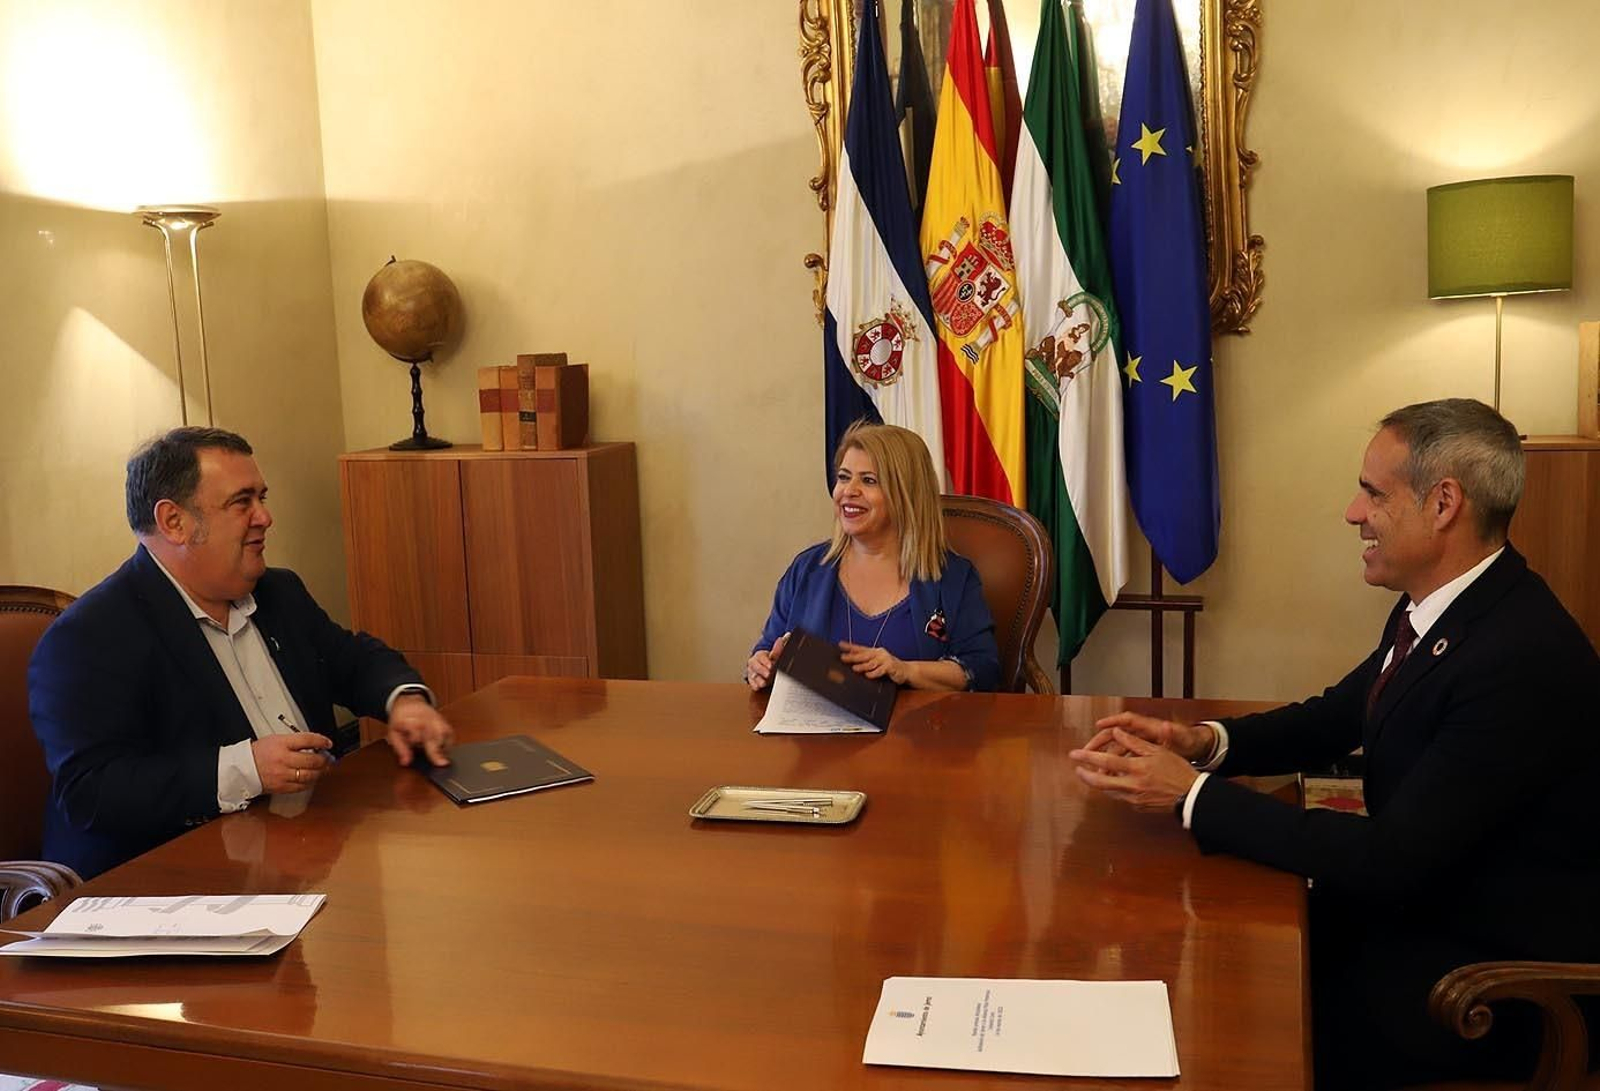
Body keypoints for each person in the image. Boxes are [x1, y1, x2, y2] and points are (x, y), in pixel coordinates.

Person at [1069, 399, 1600, 1089]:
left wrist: (1189, 794)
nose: (1353, 511)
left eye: (1373, 493)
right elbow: (1334, 716)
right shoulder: (1447, 602)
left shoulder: (1519, 657)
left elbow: (1390, 860)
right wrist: (1203, 741)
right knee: (1205, 935)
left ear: (1444, 504)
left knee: (1232, 1017)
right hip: (1427, 909)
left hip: (1490, 982)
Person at [28, 427, 456, 880]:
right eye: (242, 502)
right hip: (176, 888)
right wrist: (246, 768)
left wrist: (404, 701)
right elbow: (92, 792)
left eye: (262, 498)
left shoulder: (279, 592)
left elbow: (352, 659)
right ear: (174, 522)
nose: (265, 517)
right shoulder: (89, 636)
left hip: (310, 853)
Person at [747, 421, 1000, 693]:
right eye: (844, 477)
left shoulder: (953, 577)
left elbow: (981, 669)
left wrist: (904, 670)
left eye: (869, 480)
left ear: (906, 494)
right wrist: (761, 666)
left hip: (918, 732)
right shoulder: (806, 569)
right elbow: (768, 647)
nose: (849, 491)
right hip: (817, 733)